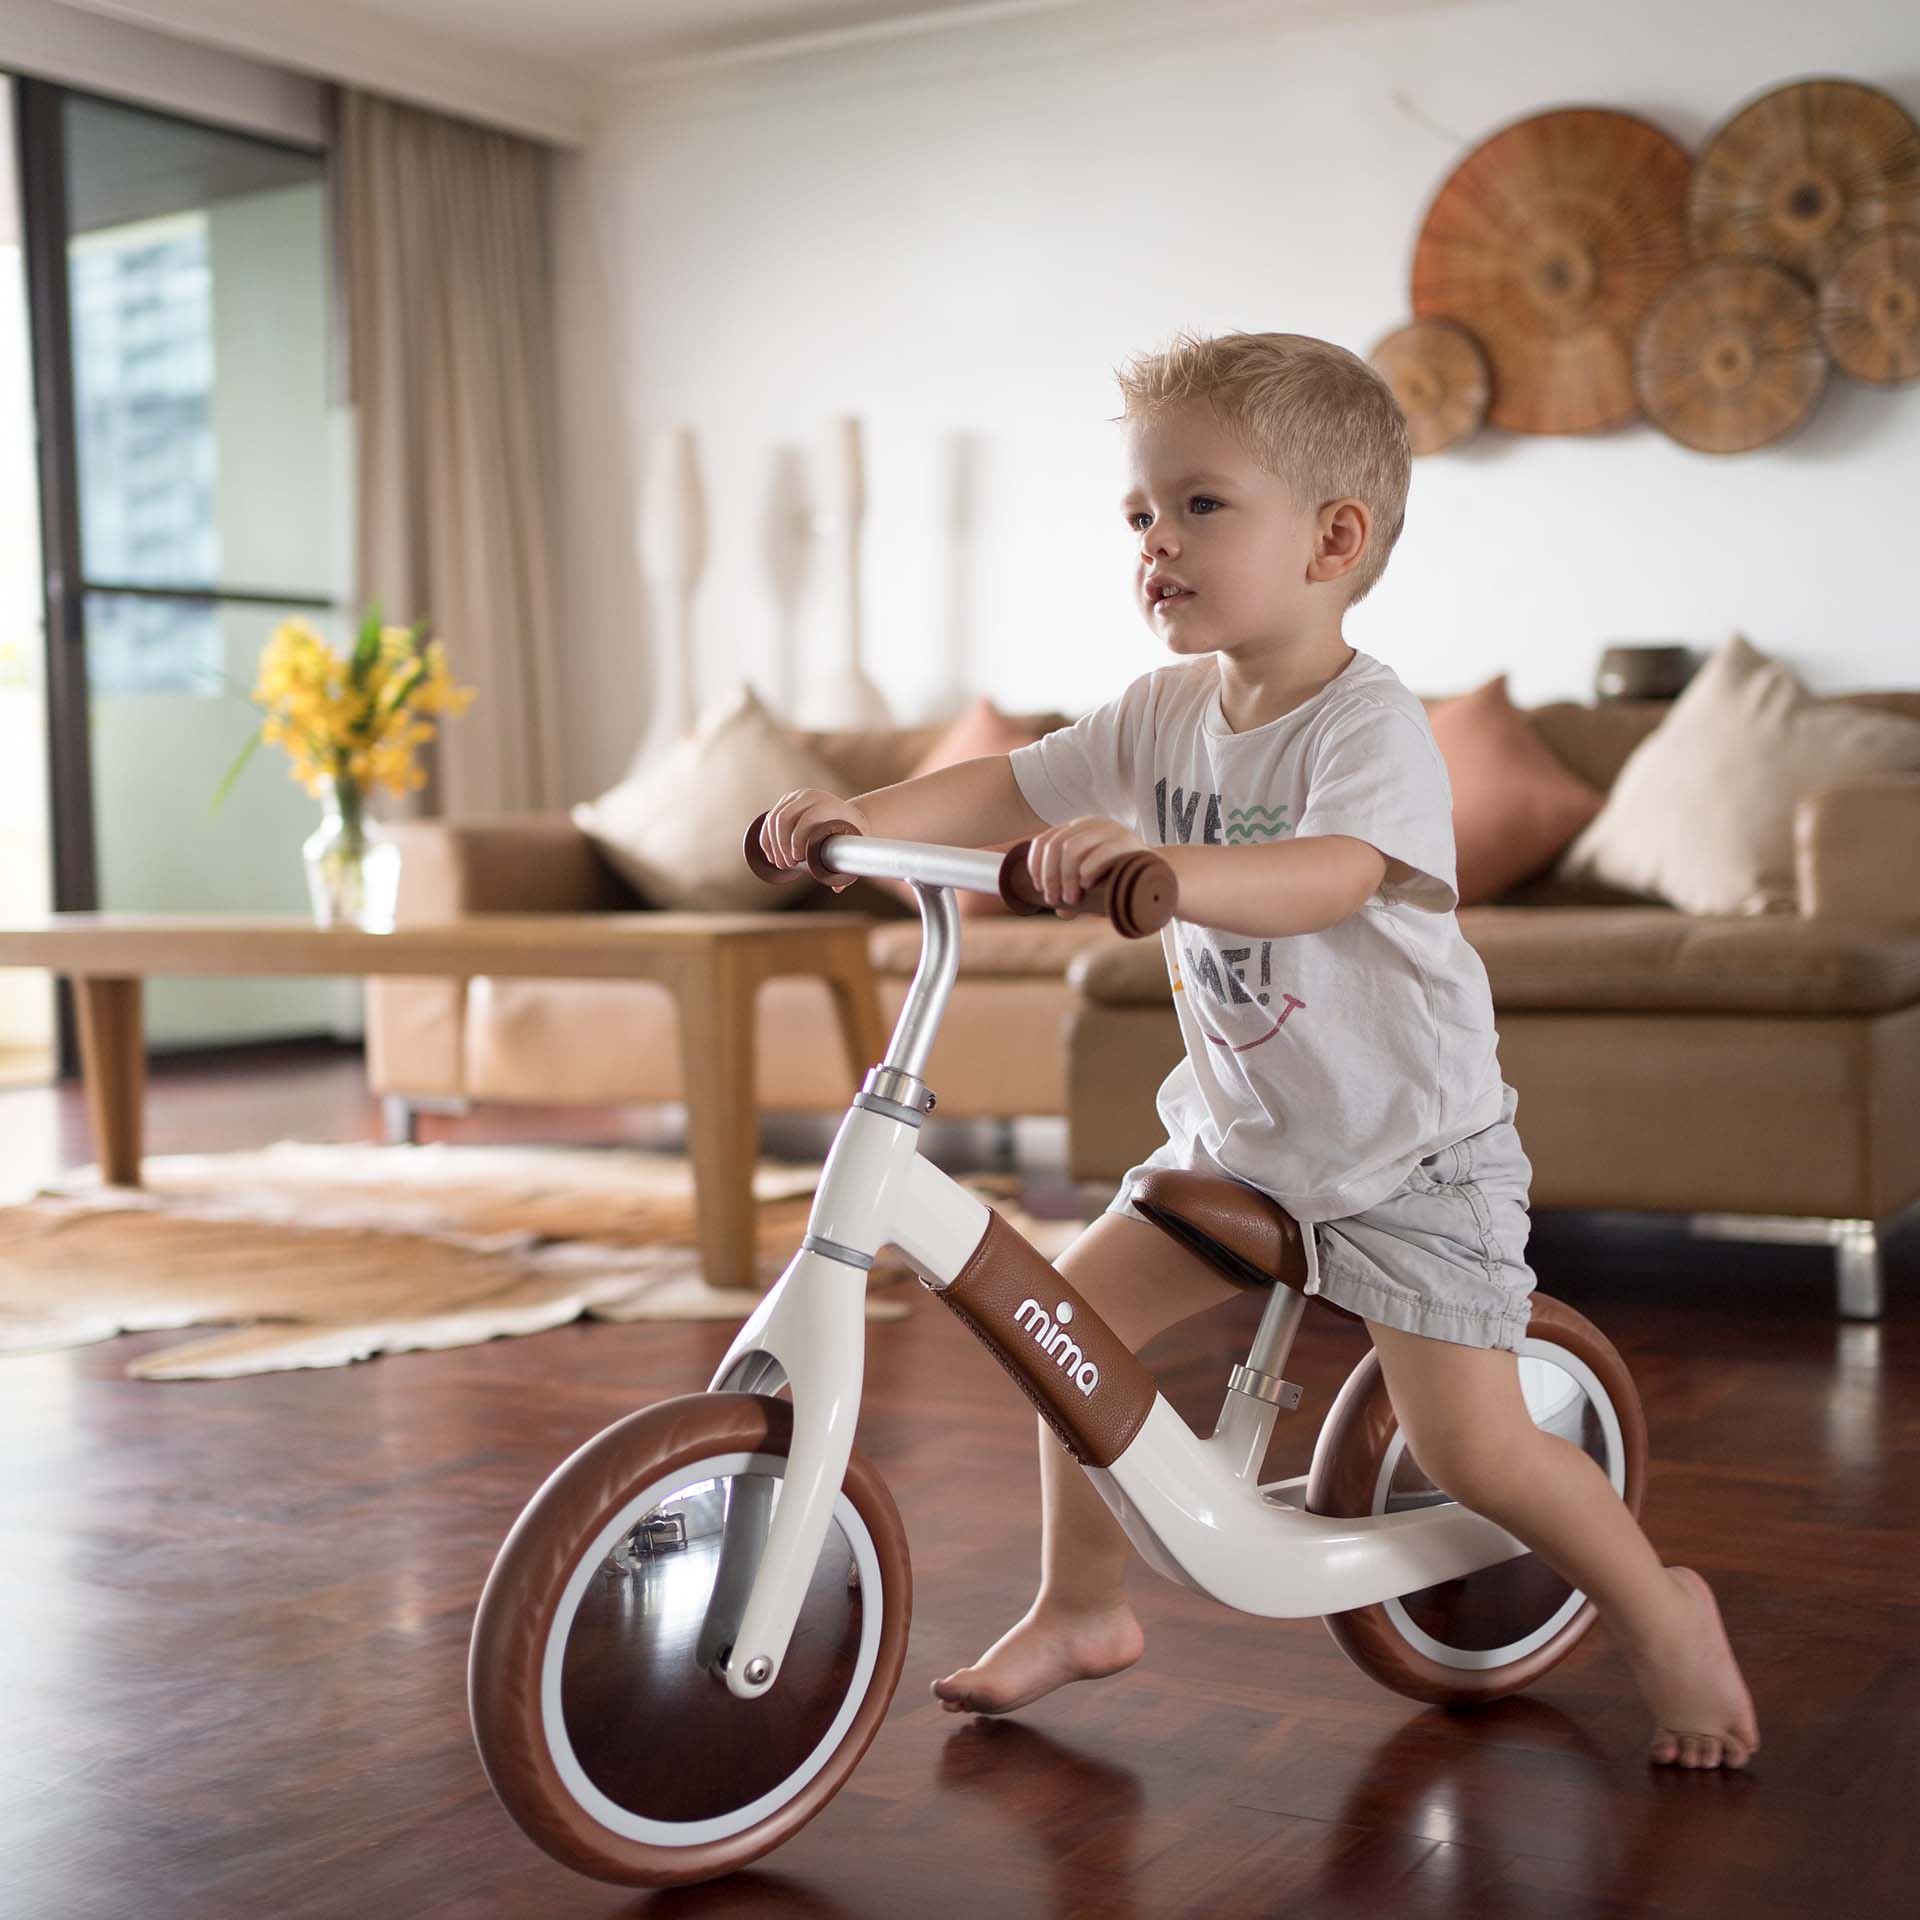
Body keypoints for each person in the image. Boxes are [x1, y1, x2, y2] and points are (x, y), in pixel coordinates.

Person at [758, 330, 1760, 1771]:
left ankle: (1666, 1616)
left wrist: (1161, 867)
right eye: (1139, 513)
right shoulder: (1164, 709)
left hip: (1409, 1153)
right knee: (1067, 1340)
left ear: (1333, 540)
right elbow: (1009, 782)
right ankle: (1080, 1606)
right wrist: (856, 814)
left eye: (1199, 505)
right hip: (1244, 1141)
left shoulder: (1367, 726)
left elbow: (1334, 876)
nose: (1156, 541)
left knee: (1476, 1449)